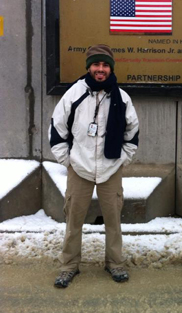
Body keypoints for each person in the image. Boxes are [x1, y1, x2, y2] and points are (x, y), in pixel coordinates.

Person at [49, 44, 139, 288]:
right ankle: (69, 266)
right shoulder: (74, 94)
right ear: (89, 67)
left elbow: (133, 132)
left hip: (110, 169)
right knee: (73, 221)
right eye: (97, 65)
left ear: (111, 68)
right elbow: (57, 130)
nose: (101, 69)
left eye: (105, 65)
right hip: (79, 169)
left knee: (113, 221)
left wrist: (123, 159)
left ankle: (115, 263)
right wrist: (68, 161)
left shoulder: (122, 98)